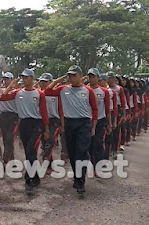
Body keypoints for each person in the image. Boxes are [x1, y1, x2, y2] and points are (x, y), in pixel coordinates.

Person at [45, 65, 98, 197]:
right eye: (69, 75)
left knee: (82, 152)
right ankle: (77, 176)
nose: (71, 78)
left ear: (81, 76)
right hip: (69, 124)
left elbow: (95, 109)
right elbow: (47, 91)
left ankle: (81, 182)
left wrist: (93, 127)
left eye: (74, 75)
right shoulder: (63, 89)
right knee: (73, 153)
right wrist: (59, 80)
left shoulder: (88, 91)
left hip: (84, 124)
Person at [1, 69, 49, 194]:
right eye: (23, 77)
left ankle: (29, 180)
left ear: (32, 78)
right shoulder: (18, 92)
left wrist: (46, 129)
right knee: (30, 152)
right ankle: (35, 176)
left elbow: (44, 113)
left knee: (30, 150)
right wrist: (12, 85)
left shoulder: (39, 94)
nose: (24, 79)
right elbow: (3, 97)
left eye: (27, 77)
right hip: (24, 124)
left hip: (36, 124)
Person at [87, 68, 111, 177]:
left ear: (98, 78)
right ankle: (93, 163)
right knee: (89, 145)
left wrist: (110, 124)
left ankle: (98, 166)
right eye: (90, 76)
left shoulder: (104, 92)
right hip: (87, 121)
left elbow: (107, 109)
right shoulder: (85, 90)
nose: (91, 79)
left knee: (99, 143)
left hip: (101, 121)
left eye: (94, 76)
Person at [0, 72, 19, 164]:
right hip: (3, 116)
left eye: (7, 79)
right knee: (6, 139)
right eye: (4, 79)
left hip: (13, 116)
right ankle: (11, 160)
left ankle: (6, 159)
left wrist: (12, 86)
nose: (5, 81)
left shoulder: (16, 91)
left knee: (10, 137)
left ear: (11, 80)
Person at [38, 73, 63, 175]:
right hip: (41, 120)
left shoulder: (56, 94)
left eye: (45, 82)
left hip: (54, 121)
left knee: (51, 141)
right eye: (41, 81)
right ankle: (49, 164)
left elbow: (60, 109)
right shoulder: (38, 93)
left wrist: (62, 123)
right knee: (44, 143)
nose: (43, 84)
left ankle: (45, 161)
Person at [99, 75, 118, 161]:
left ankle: (105, 157)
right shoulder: (94, 90)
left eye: (100, 80)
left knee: (107, 138)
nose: (99, 82)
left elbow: (114, 106)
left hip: (109, 114)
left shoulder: (111, 92)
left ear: (105, 81)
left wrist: (114, 121)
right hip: (98, 116)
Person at [107, 72, 126, 158]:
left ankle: (114, 149)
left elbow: (123, 101)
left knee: (116, 131)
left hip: (116, 110)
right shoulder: (105, 88)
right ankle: (107, 149)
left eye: (109, 78)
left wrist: (124, 114)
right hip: (108, 109)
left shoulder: (119, 89)